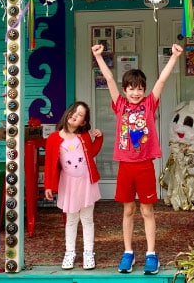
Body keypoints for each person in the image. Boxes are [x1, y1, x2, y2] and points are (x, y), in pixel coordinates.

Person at [91, 43, 183, 275]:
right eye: (131, 88)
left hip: (144, 166)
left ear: (144, 90)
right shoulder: (120, 105)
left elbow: (161, 81)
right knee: (128, 211)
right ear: (124, 90)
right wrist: (99, 57)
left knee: (147, 211)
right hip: (125, 167)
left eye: (139, 88)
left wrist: (173, 57)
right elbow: (110, 80)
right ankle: (128, 252)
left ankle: (151, 253)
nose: (135, 92)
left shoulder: (149, 104)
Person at [44, 101, 104, 270]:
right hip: (68, 184)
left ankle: (88, 253)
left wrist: (99, 138)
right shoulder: (53, 138)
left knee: (87, 219)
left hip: (86, 183)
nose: (75, 115)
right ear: (68, 113)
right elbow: (50, 163)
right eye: (74, 112)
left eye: (80, 115)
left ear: (83, 123)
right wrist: (49, 185)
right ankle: (69, 252)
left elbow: (91, 153)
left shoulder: (83, 136)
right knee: (71, 220)